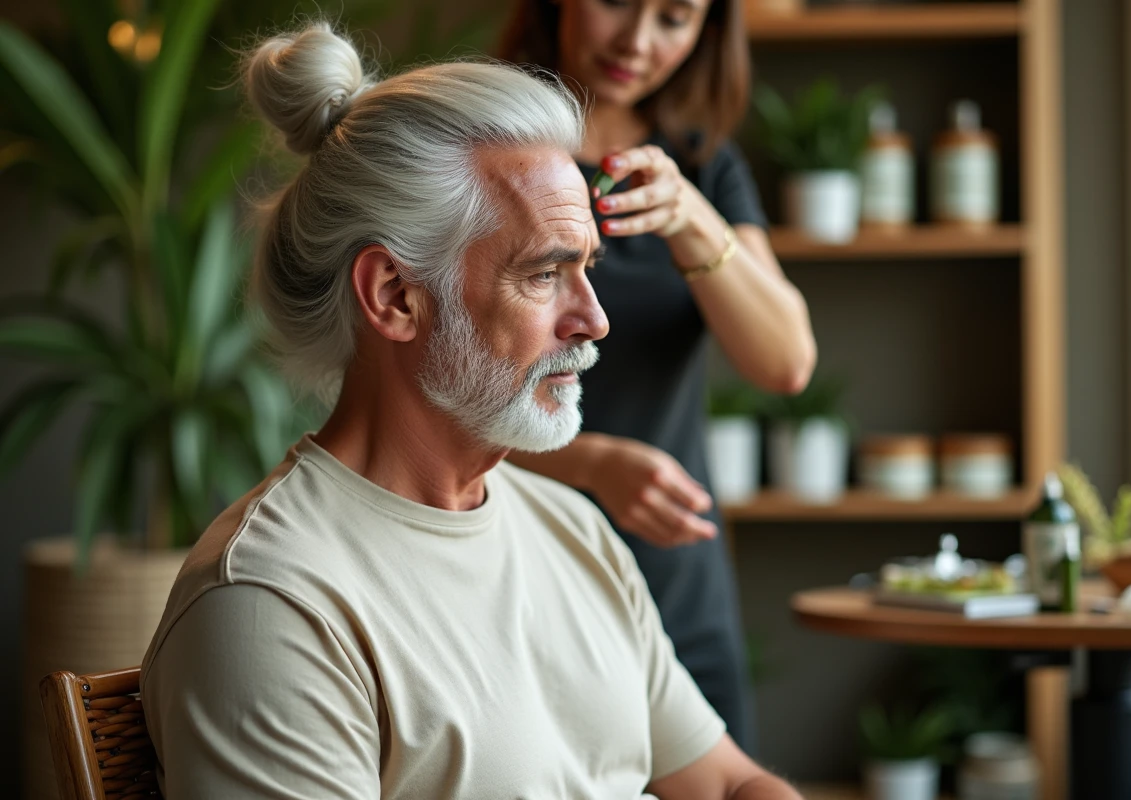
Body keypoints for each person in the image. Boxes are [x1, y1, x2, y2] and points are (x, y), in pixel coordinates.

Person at [139, 23, 805, 800]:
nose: (594, 319)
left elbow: (730, 785)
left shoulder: (575, 532)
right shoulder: (271, 606)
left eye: (585, 267)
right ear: (394, 296)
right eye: (543, 274)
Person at [498, 0, 818, 751]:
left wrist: (689, 215)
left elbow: (786, 362)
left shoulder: (702, 165)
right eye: (616, 1)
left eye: (675, 16)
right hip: (516, 561)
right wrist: (589, 465)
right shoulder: (483, 148)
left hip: (674, 573)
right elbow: (416, 392)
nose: (638, 41)